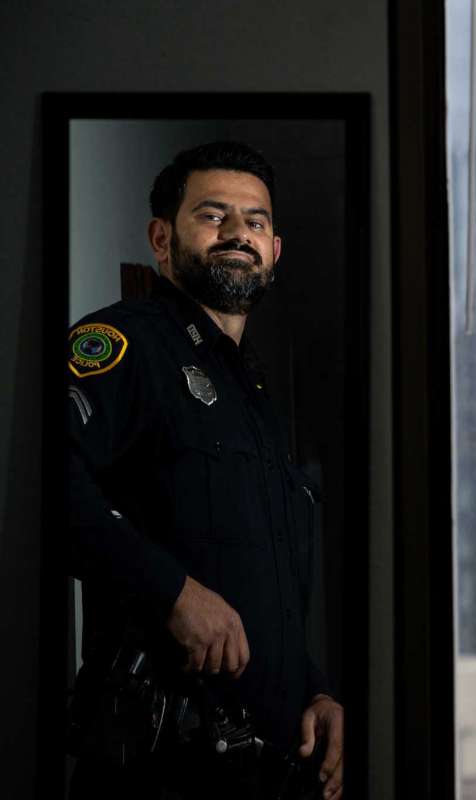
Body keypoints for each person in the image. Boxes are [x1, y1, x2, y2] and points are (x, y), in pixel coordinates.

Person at [65, 141, 344, 799]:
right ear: (162, 240)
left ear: (273, 253)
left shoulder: (256, 399)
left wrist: (316, 690)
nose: (238, 234)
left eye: (255, 221)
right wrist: (173, 592)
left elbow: (263, 584)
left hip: (268, 766)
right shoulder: (124, 346)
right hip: (159, 769)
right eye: (213, 216)